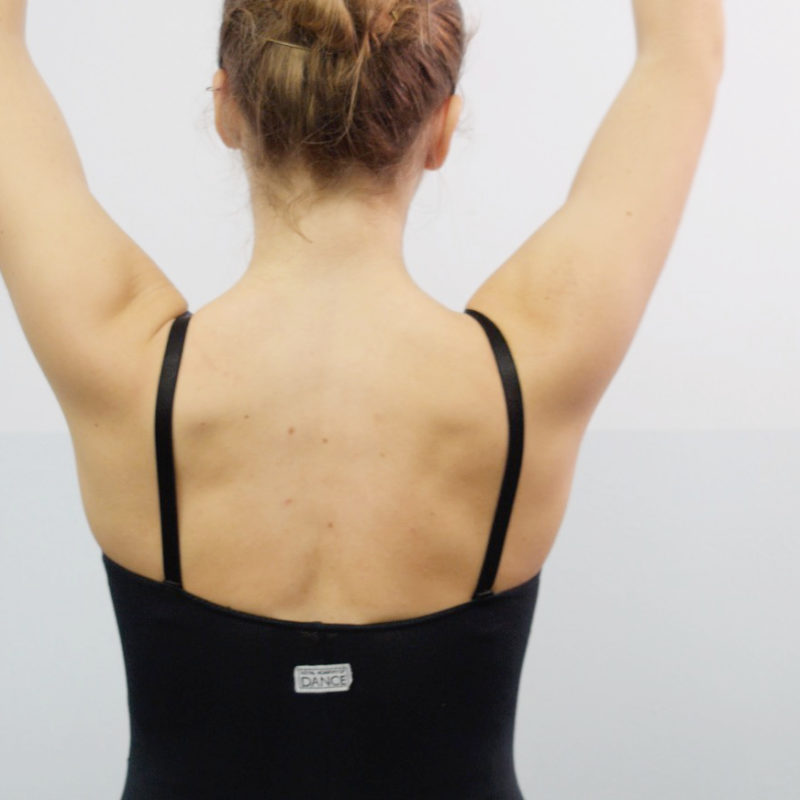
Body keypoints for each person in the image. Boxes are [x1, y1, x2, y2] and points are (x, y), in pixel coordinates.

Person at [0, 0, 725, 797]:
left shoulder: (121, 359)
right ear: (442, 130)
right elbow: (683, 56)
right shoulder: (531, 368)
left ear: (227, 109)